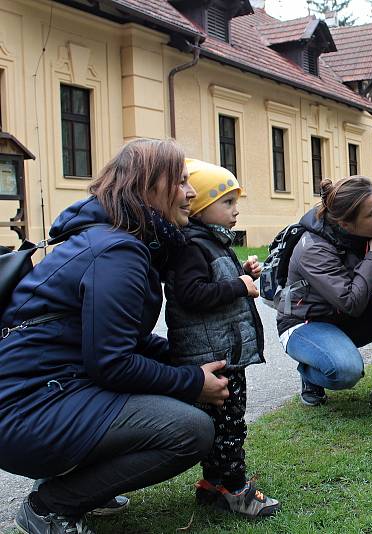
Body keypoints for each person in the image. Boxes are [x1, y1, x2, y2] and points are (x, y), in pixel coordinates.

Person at [0, 139, 229, 534]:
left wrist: (184, 359)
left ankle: (84, 486)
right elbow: (111, 362)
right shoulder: (117, 252)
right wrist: (192, 382)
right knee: (191, 431)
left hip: (42, 396)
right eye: (179, 182)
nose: (190, 193)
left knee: (167, 405)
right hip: (27, 413)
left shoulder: (113, 239)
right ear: (146, 186)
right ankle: (50, 506)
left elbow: (121, 340)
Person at [164, 159, 279, 518]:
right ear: (200, 208)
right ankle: (235, 489)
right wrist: (238, 286)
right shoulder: (190, 246)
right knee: (229, 424)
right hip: (213, 357)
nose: (235, 210)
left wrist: (241, 271)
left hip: (221, 350)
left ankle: (213, 482)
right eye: (227, 202)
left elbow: (212, 281)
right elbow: (191, 293)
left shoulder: (209, 241)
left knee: (221, 422)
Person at [276, 175, 372, 407]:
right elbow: (351, 302)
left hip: (340, 318)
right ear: (345, 224)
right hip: (303, 324)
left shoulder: (357, 235)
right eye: (371, 213)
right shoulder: (314, 249)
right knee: (347, 371)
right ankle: (310, 371)